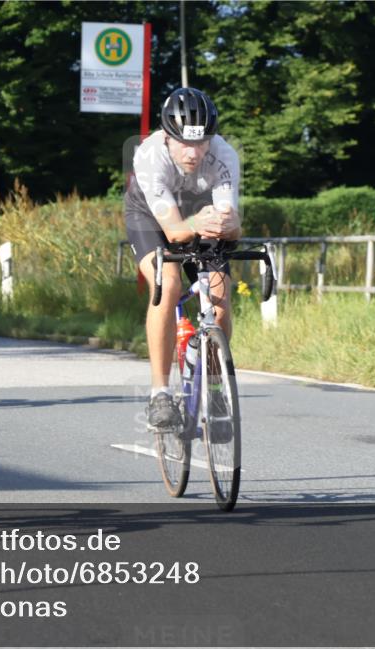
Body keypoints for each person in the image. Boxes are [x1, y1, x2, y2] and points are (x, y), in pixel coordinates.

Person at [124, 87, 242, 431]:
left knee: (219, 300)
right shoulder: (149, 155)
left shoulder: (224, 155)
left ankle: (215, 387)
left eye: (201, 142)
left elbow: (228, 224)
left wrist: (230, 224)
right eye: (183, 143)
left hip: (198, 214)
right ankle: (159, 394)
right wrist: (200, 223)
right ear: (166, 136)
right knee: (169, 283)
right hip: (151, 218)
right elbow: (175, 232)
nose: (193, 152)